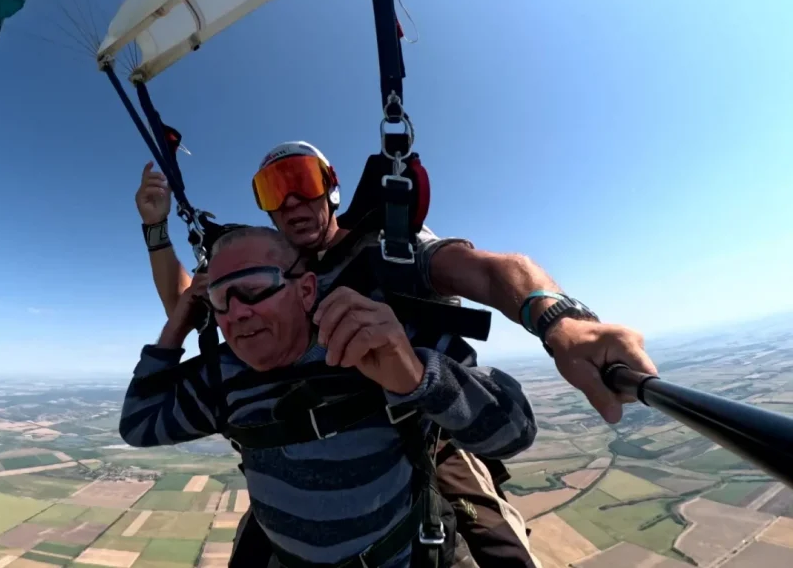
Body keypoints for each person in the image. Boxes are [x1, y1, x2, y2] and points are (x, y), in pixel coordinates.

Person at [134, 140, 654, 567]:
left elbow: (489, 270)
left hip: (419, 427)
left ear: (331, 188)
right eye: (274, 189)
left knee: (500, 549)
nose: (291, 202)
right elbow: (195, 303)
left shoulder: (387, 250)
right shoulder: (266, 269)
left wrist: (558, 320)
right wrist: (157, 232)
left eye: (303, 182)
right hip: (301, 453)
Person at [120, 226, 538, 568]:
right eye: (220, 299)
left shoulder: (377, 336)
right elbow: (139, 424)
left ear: (306, 291)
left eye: (255, 288)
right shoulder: (222, 375)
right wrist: (177, 325)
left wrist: (416, 375)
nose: (237, 313)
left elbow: (515, 431)